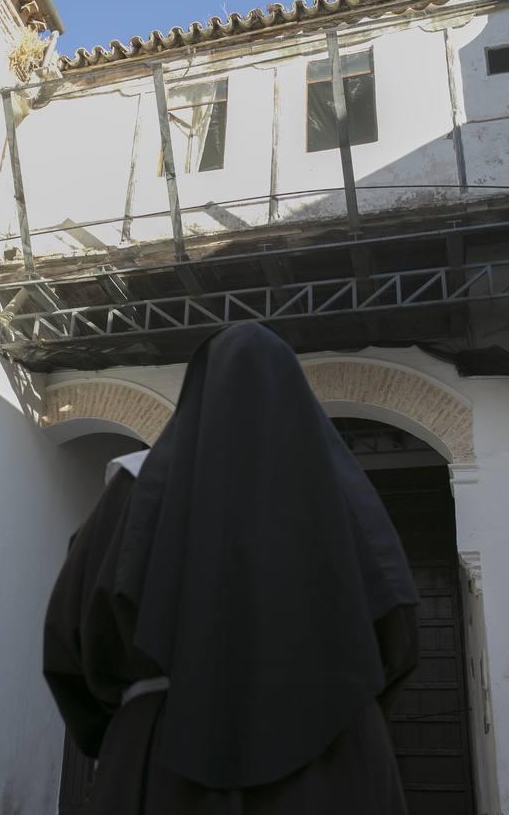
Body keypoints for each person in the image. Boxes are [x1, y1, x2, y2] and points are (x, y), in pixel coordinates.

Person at [44, 323, 419, 814]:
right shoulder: (348, 499)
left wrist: (127, 735)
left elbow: (69, 639)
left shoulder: (135, 489)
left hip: (163, 760)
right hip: (335, 764)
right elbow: (398, 631)